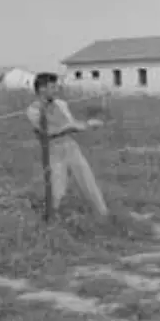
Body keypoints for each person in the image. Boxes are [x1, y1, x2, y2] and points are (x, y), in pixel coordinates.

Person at [26, 73, 109, 217]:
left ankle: (103, 215)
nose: (56, 90)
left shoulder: (61, 104)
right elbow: (46, 132)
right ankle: (52, 219)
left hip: (71, 147)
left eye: (56, 86)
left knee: (88, 182)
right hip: (53, 151)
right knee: (57, 189)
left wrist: (87, 124)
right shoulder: (33, 110)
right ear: (42, 89)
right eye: (53, 87)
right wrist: (71, 126)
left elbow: (72, 123)